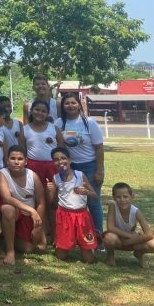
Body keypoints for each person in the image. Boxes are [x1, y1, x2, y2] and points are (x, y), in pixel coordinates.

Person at [59, 92, 105, 240]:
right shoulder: (59, 123)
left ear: (79, 105)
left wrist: (99, 170)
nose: (70, 106)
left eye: (73, 103)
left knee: (93, 201)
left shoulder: (89, 122)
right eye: (67, 103)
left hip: (90, 166)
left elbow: (99, 147)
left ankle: (98, 236)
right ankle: (78, 235)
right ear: (63, 106)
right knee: (74, 201)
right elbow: (60, 148)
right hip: (71, 168)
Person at [46, 147, 97, 264]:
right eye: (56, 159)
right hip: (64, 216)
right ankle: (65, 243)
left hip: (82, 215)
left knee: (88, 259)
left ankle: (83, 244)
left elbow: (95, 196)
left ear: (70, 160)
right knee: (61, 256)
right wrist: (50, 190)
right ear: (53, 162)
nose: (60, 161)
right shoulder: (56, 178)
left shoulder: (80, 175)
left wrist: (87, 192)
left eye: (63, 158)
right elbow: (52, 202)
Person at [22, 99, 65, 239]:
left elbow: (62, 150)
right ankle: (40, 233)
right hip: (33, 168)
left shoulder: (54, 128)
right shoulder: (25, 129)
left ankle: (57, 234)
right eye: (37, 110)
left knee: (53, 202)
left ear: (48, 113)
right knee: (37, 201)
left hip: (52, 168)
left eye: (43, 111)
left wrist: (62, 169)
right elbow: (22, 151)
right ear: (31, 111)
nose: (40, 113)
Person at [0, 146, 47, 265]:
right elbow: (6, 198)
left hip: (29, 216)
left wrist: (38, 227)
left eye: (20, 159)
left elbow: (41, 202)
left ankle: (5, 236)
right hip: (15, 212)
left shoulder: (33, 175)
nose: (16, 162)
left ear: (25, 161)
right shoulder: (3, 173)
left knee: (32, 248)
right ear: (7, 160)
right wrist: (31, 210)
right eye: (12, 158)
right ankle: (10, 250)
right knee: (7, 209)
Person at [102, 182, 154, 268]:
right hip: (117, 239)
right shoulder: (113, 206)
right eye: (118, 197)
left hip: (132, 241)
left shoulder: (136, 211)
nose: (122, 200)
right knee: (109, 237)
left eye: (125, 196)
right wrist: (129, 236)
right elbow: (110, 228)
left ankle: (139, 254)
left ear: (132, 197)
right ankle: (110, 256)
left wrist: (131, 240)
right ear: (114, 198)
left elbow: (149, 234)